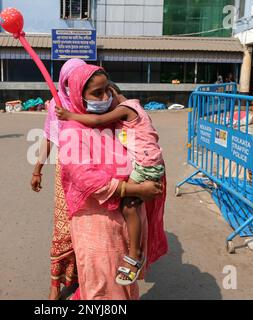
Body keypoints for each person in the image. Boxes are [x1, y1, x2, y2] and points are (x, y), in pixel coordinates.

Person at [58, 64, 167, 299]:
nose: (105, 97)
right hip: (95, 226)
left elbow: (143, 151)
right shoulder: (72, 131)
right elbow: (88, 179)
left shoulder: (116, 123)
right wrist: (138, 189)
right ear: (79, 95)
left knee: (124, 288)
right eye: (97, 93)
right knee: (102, 288)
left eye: (107, 89)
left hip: (124, 226)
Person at [30, 58, 86, 300]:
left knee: (87, 226)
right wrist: (37, 169)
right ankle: (55, 284)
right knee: (63, 226)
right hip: (66, 170)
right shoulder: (56, 104)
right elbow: (49, 138)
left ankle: (84, 277)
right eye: (70, 81)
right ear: (63, 81)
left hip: (94, 170)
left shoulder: (92, 99)